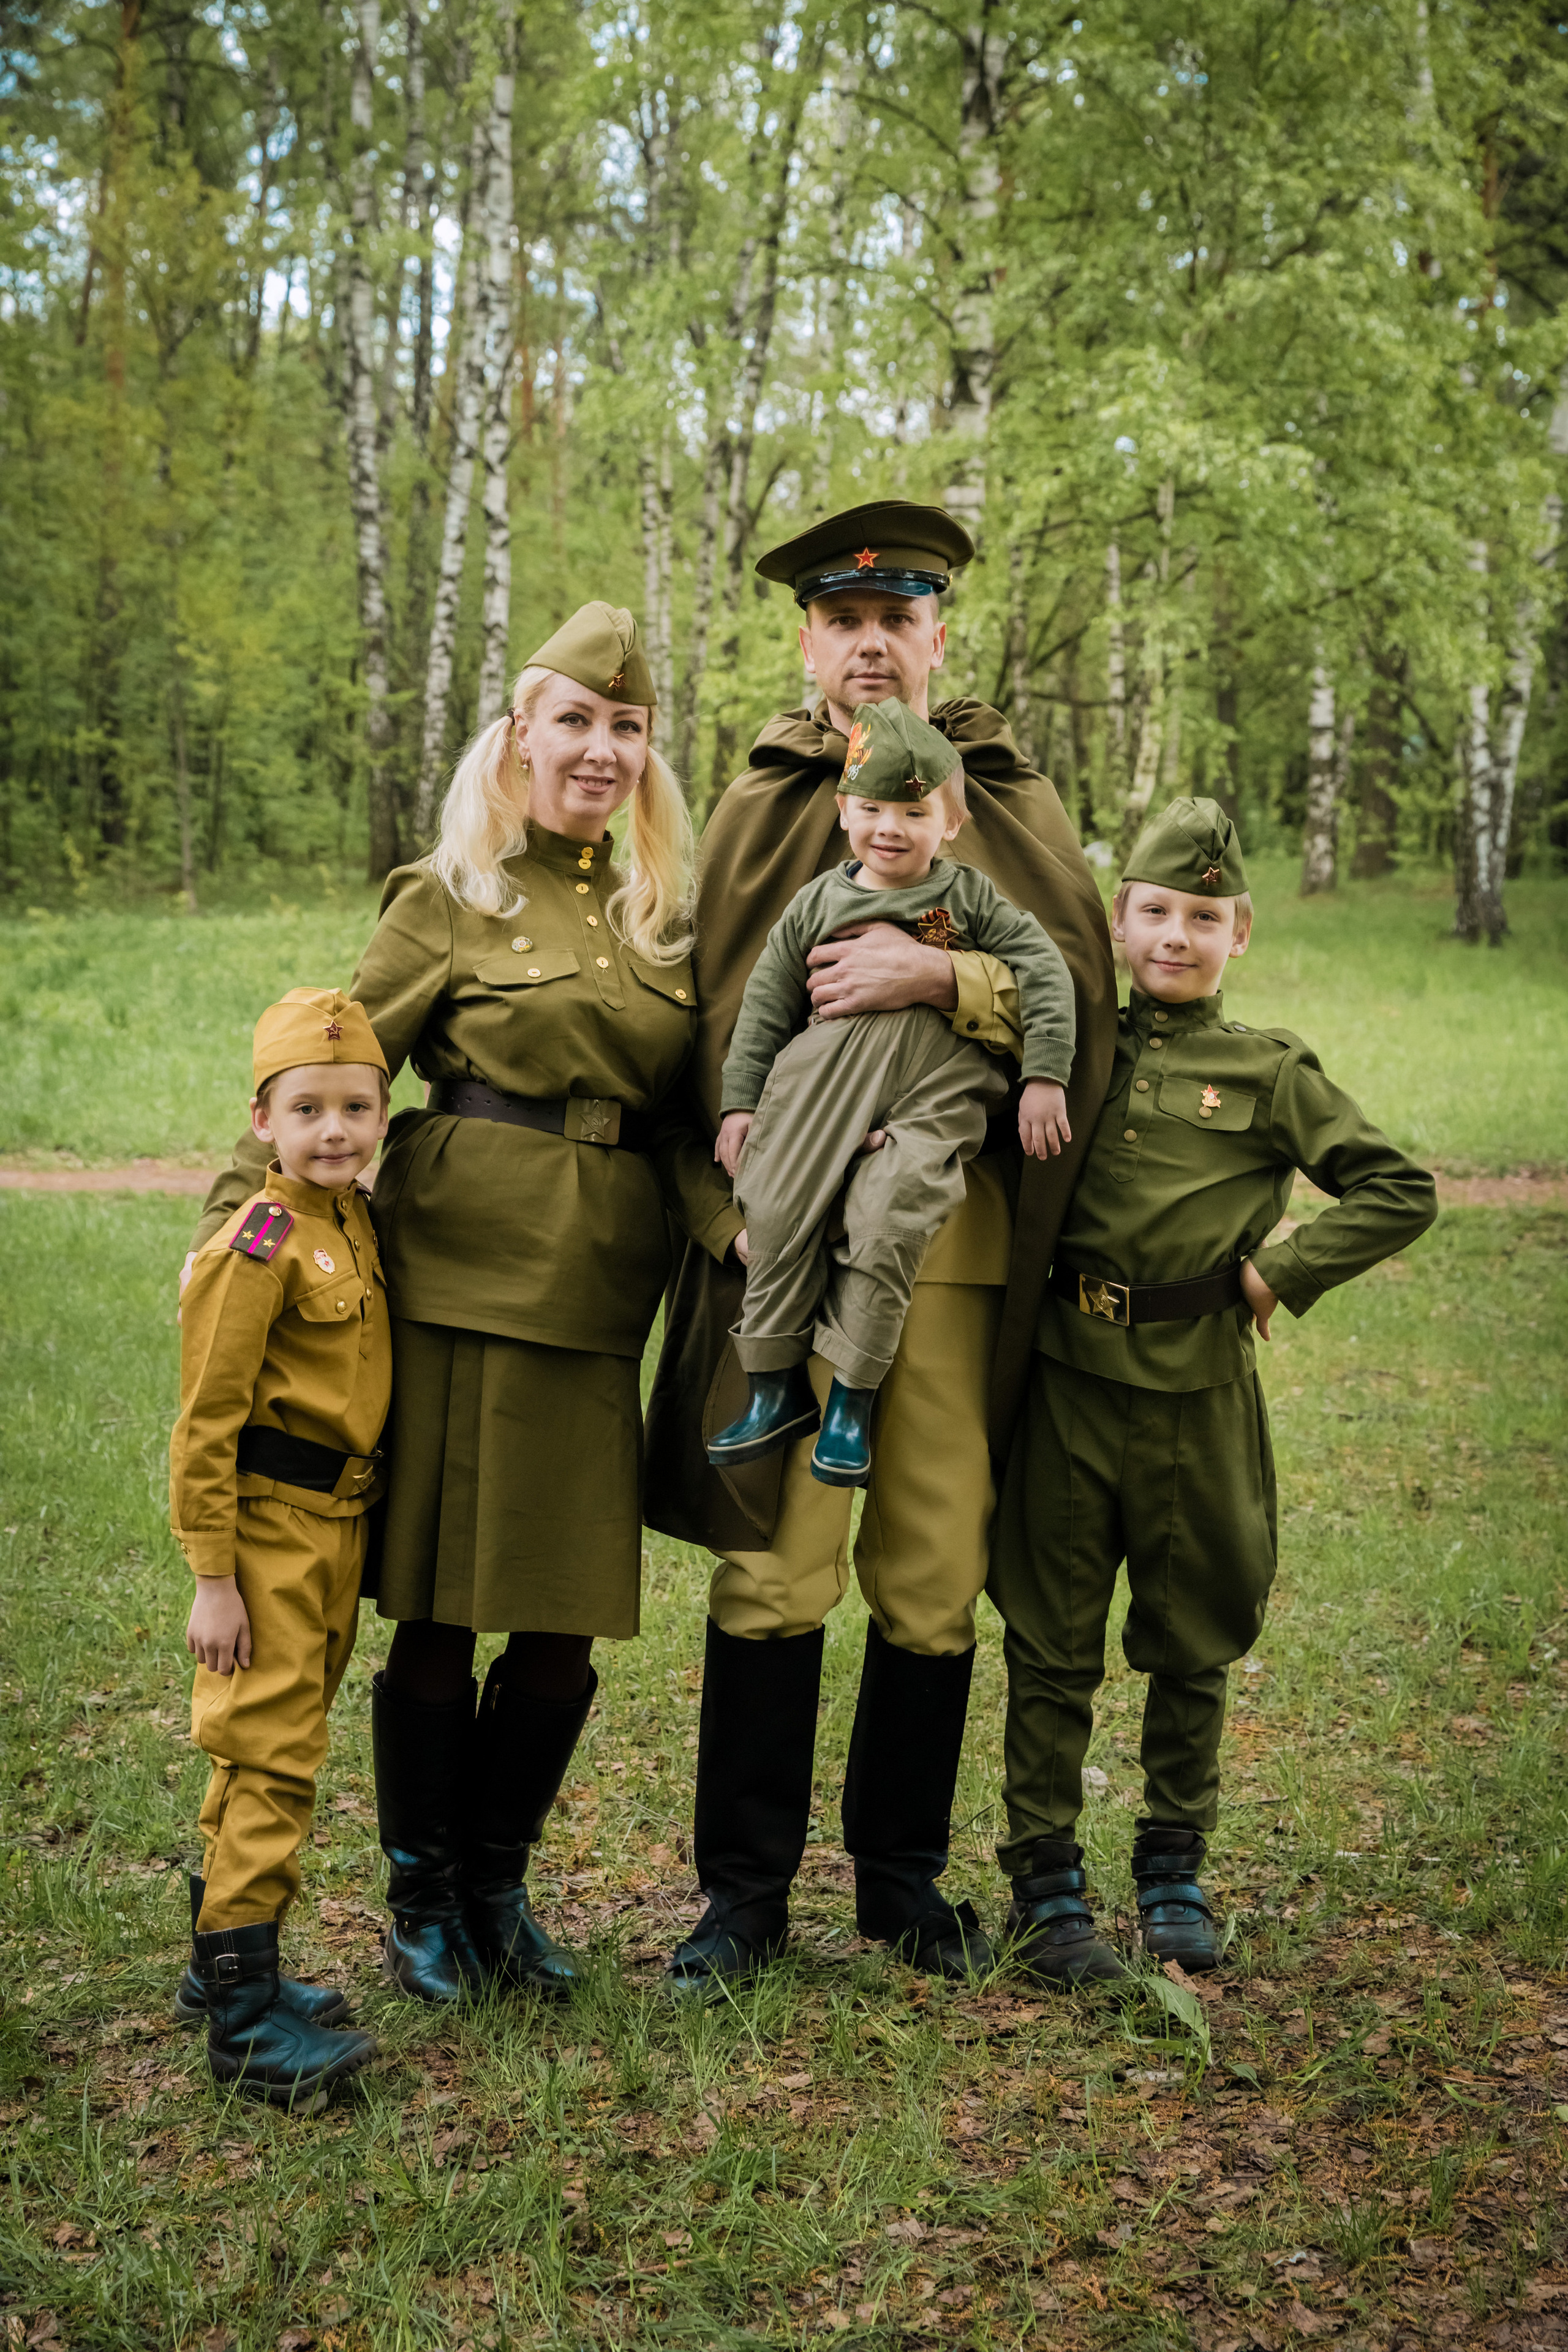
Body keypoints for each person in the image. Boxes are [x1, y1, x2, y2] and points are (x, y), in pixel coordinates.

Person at [187, 604, 739, 2006]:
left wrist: (740, 1233)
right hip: (451, 1286)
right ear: (518, 737)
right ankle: (422, 1899)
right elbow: (331, 1073)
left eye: (626, 728)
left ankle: (498, 1886)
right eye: (576, 721)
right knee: (438, 1613)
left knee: (561, 1626)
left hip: (600, 1296)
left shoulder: (659, 918)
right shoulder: (447, 897)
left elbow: (681, 1126)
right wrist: (235, 1227)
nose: (602, 749)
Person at [643, 499, 1119, 1995]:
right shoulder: (756, 802)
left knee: (927, 1567)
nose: (868, 646)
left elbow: (1076, 1002)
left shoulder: (999, 800)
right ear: (808, 642)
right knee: (776, 1571)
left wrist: (942, 977)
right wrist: (731, 1215)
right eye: (841, 623)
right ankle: (743, 1897)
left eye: (894, 622)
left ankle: (902, 1882)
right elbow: (693, 1029)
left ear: (932, 638)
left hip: (956, 1254)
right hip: (781, 1255)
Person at [987, 798, 1439, 1986]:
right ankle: (1043, 1880)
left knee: (1192, 1633)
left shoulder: (1267, 1069)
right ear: (1118, 920)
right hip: (1066, 1383)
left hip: (1195, 1394)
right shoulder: (1073, 1045)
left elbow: (1396, 1187)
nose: (1173, 936)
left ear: (1237, 932)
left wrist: (1277, 1272)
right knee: (1047, 1635)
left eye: (1201, 916)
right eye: (1152, 911)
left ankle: (1170, 1866)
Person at [709, 696, 1077, 1488]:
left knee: (887, 1220)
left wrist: (1045, 1075)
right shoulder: (815, 904)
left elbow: (1046, 968)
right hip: (828, 1093)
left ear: (952, 819)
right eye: (872, 808)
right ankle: (772, 1385)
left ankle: (851, 1399)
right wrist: (741, 1105)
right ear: (845, 812)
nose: (890, 827)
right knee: (772, 1204)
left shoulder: (969, 898)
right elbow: (764, 1007)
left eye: (913, 812)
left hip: (934, 1099)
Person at [171, 987, 390, 2102]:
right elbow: (204, 1422)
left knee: (269, 1742)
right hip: (267, 1536)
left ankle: (221, 1971)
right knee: (271, 1761)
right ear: (264, 1120)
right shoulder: (255, 1245)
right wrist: (215, 1578)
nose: (335, 1129)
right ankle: (248, 2032)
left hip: (336, 1529)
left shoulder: (348, 1217)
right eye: (309, 1108)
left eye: (357, 1105)